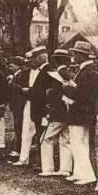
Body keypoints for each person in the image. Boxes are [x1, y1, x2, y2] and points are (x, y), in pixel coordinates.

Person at [62, 41, 98, 185]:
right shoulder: (85, 71)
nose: (73, 56)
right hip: (80, 112)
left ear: (81, 56)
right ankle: (78, 172)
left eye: (75, 54)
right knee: (78, 143)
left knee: (79, 144)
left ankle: (88, 175)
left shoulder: (89, 73)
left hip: (81, 113)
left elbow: (84, 95)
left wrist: (66, 89)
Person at [12, 46, 51, 166]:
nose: (31, 62)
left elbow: (45, 91)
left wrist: (29, 91)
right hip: (29, 103)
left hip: (41, 106)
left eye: (33, 59)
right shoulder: (29, 71)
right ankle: (24, 158)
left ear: (41, 58)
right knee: (26, 131)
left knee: (41, 133)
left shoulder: (49, 71)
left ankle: (41, 161)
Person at [38, 49, 73, 177]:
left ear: (56, 60)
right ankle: (65, 169)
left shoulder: (58, 73)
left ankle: (48, 168)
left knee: (45, 139)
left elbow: (58, 95)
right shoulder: (70, 72)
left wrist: (51, 94)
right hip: (69, 112)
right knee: (66, 140)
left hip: (58, 112)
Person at [7, 56, 29, 157]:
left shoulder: (22, 75)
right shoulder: (16, 75)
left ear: (18, 65)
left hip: (19, 105)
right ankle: (19, 148)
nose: (10, 67)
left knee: (19, 127)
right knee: (18, 127)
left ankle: (19, 149)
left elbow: (19, 92)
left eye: (12, 65)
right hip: (16, 105)